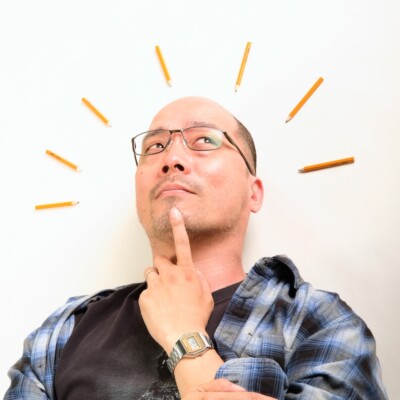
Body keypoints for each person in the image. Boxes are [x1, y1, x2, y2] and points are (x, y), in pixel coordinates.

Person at [4, 96, 387, 400]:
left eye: (205, 140)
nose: (171, 159)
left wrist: (186, 340)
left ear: (253, 192)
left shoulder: (319, 323)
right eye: (155, 146)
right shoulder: (63, 332)